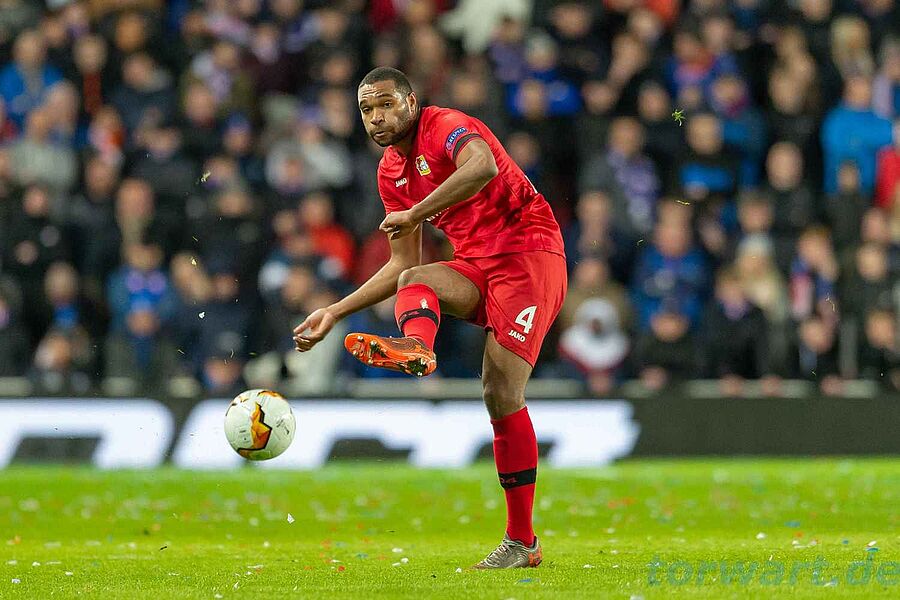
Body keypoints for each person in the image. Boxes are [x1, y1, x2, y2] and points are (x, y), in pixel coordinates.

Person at [293, 67, 567, 569]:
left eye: (385, 104)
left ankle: (522, 541)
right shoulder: (390, 173)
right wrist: (334, 310)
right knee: (413, 279)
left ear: (412, 102)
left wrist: (417, 211)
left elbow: (483, 166)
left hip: (529, 253)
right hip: (476, 263)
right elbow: (399, 262)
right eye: (366, 110)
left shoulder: (445, 125)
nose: (376, 118)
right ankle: (417, 346)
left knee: (501, 392)